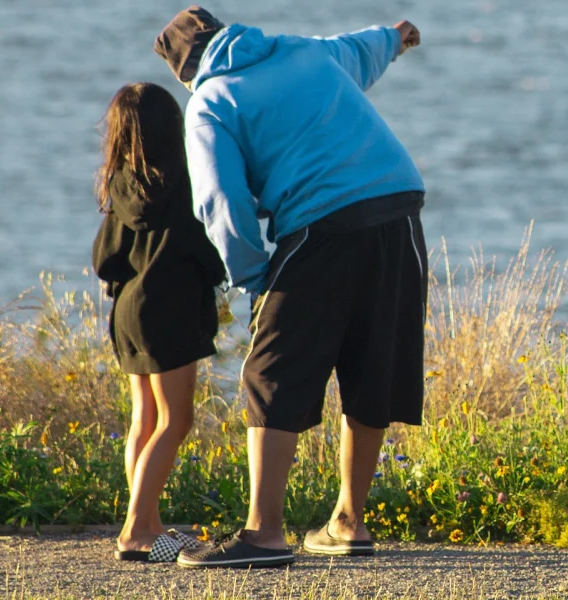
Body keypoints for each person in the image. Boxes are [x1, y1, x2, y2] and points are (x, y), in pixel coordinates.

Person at [153, 6, 426, 568]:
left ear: (184, 70)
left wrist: (255, 277)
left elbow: (221, 204)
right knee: (374, 360)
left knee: (270, 371)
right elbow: (357, 49)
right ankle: (348, 522)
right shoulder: (299, 50)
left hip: (322, 223)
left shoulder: (209, 102)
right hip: (399, 207)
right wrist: (395, 38)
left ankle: (264, 535)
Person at [91, 82, 227, 563]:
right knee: (175, 419)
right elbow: (206, 251)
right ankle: (134, 532)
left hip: (127, 309)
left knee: (143, 419)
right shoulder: (185, 181)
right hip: (171, 309)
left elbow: (104, 258)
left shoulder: (120, 182)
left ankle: (149, 523)